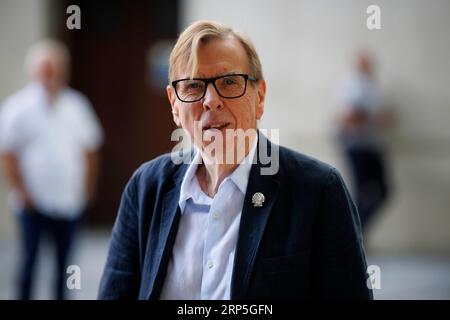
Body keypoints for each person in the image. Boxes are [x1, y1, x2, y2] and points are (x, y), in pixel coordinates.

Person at [98, 20, 372, 300]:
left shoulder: (318, 191)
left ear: (260, 97)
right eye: (193, 85)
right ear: (174, 105)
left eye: (229, 82)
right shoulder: (146, 188)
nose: (211, 100)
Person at [0, 39, 103, 299]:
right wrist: (22, 191)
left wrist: (87, 189)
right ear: (34, 71)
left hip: (68, 201)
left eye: (56, 68)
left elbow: (91, 149)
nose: (52, 74)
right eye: (47, 69)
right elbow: (7, 153)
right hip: (32, 203)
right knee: (29, 263)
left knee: (65, 267)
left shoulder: (76, 105)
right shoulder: (17, 107)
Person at [336, 51, 390, 229]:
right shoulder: (352, 85)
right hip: (356, 145)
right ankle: (353, 233)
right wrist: (374, 118)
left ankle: (357, 230)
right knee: (360, 191)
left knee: (382, 190)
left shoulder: (371, 86)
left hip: (371, 145)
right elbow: (348, 117)